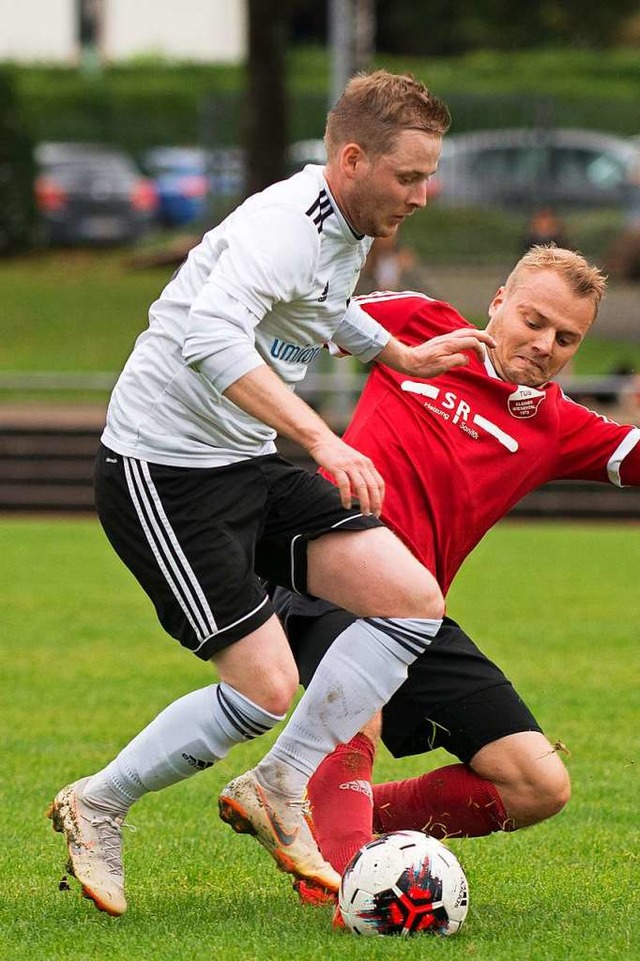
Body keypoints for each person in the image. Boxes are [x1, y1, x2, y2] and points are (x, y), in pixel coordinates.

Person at [45, 70, 497, 918]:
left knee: (409, 601)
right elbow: (209, 335)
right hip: (161, 473)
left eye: (429, 175)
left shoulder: (345, 224)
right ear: (354, 158)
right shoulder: (283, 223)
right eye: (409, 176)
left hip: (243, 462)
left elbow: (322, 308)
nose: (424, 195)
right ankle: (98, 802)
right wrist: (324, 439)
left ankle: (279, 783)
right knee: (263, 688)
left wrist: (397, 355)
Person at [271, 244, 640, 908]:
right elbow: (304, 315)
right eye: (534, 320)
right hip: (326, 566)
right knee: (358, 701)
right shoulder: (416, 323)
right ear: (499, 301)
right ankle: (346, 882)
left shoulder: (556, 425)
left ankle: (325, 816)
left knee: (538, 784)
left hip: (414, 614)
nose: (545, 344)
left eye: (566, 338)